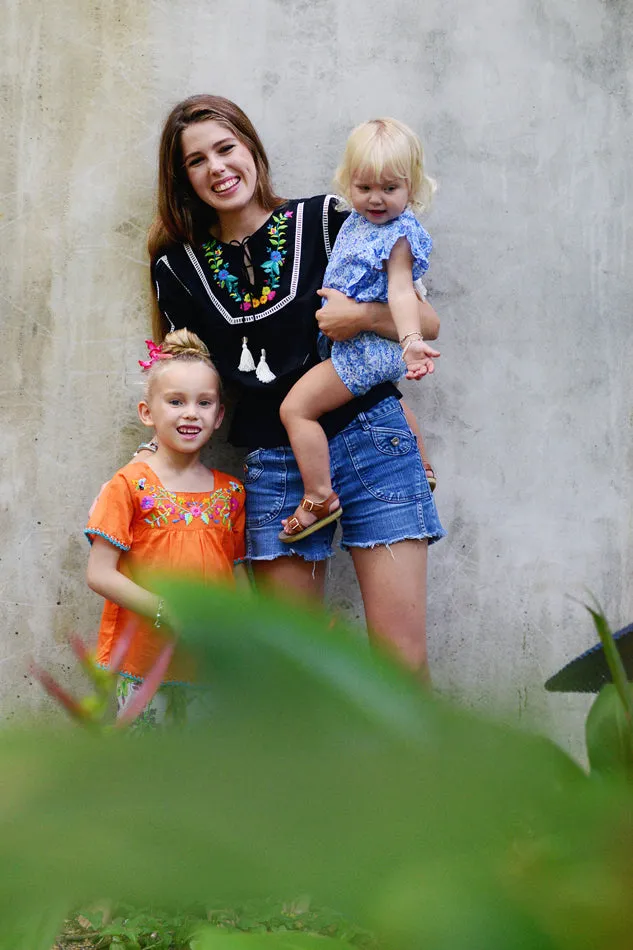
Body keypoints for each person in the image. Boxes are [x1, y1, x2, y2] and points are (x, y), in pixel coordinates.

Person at [145, 95, 445, 676]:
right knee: (294, 678)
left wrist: (360, 317)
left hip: (372, 444)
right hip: (277, 469)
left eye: (226, 148)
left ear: (252, 149)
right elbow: (187, 376)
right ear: (183, 178)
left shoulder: (333, 217)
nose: (217, 168)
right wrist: (163, 455)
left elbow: (426, 324)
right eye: (196, 160)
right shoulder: (176, 268)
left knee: (400, 664)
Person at [279, 118, 439, 542]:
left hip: (364, 350)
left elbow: (403, 293)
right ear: (348, 181)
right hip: (362, 350)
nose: (376, 199)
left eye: (390, 188)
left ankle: (318, 496)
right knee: (382, 396)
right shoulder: (358, 222)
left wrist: (410, 343)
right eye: (365, 187)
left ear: (412, 187)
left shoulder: (397, 236)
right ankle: (420, 463)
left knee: (296, 409)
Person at [85, 329, 246, 724]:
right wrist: (165, 610)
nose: (191, 413)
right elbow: (99, 573)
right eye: (175, 401)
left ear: (219, 415)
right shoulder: (130, 485)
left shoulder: (231, 493)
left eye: (204, 403)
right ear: (147, 412)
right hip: (144, 664)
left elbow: (238, 576)